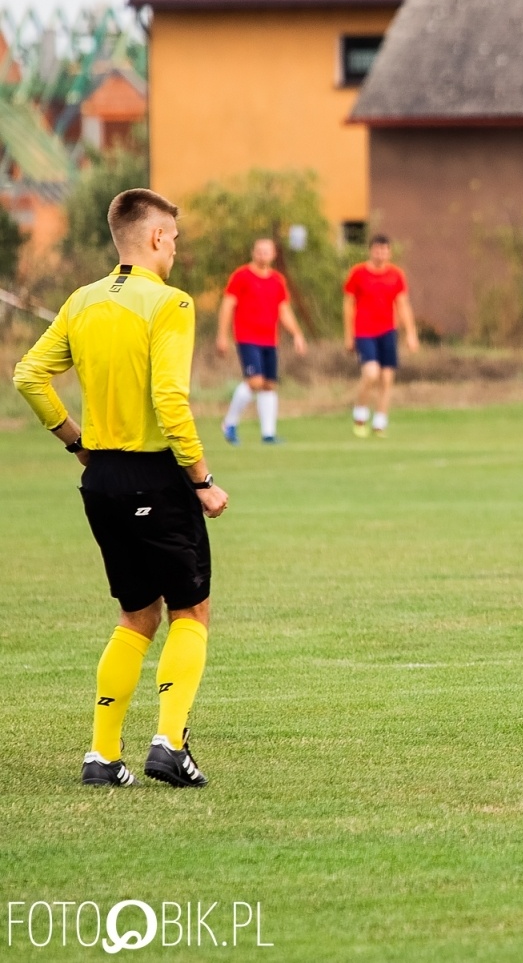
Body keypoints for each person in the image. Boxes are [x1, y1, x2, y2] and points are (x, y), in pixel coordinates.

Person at [12, 188, 229, 787]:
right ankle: (169, 744)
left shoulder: (82, 301)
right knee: (191, 609)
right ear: (158, 237)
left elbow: (28, 374)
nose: (177, 249)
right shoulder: (170, 304)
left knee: (137, 614)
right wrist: (203, 480)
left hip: (101, 479)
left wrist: (76, 442)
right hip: (154, 475)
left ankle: (103, 757)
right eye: (176, 238)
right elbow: (169, 399)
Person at [216, 237, 307, 444]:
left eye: (267, 251)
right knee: (254, 381)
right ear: (253, 253)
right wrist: (222, 335)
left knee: (268, 385)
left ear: (274, 254)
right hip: (247, 337)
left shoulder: (277, 280)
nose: (263, 255)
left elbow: (284, 310)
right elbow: (228, 305)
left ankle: (268, 433)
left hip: (270, 339)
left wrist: (297, 334)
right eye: (259, 251)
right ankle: (229, 423)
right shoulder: (241, 276)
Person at [343, 234, 419, 438]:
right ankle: (360, 413)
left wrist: (410, 333)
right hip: (364, 331)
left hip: (388, 331)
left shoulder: (396, 275)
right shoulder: (358, 273)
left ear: (389, 252)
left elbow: (403, 305)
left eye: (384, 250)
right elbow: (348, 304)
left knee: (386, 378)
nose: (381, 253)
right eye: (377, 249)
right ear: (371, 251)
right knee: (371, 373)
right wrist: (348, 335)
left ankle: (380, 422)